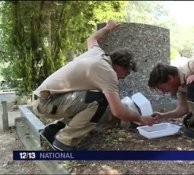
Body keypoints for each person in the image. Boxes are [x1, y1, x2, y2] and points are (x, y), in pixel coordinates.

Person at [32, 20, 154, 150]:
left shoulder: (97, 53)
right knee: (99, 100)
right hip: (46, 104)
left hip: (44, 100)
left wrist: (108, 27)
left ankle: (52, 131)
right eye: (127, 72)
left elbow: (92, 38)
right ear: (119, 65)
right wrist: (141, 119)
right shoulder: (108, 72)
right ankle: (64, 142)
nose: (125, 77)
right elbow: (117, 111)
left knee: (89, 99)